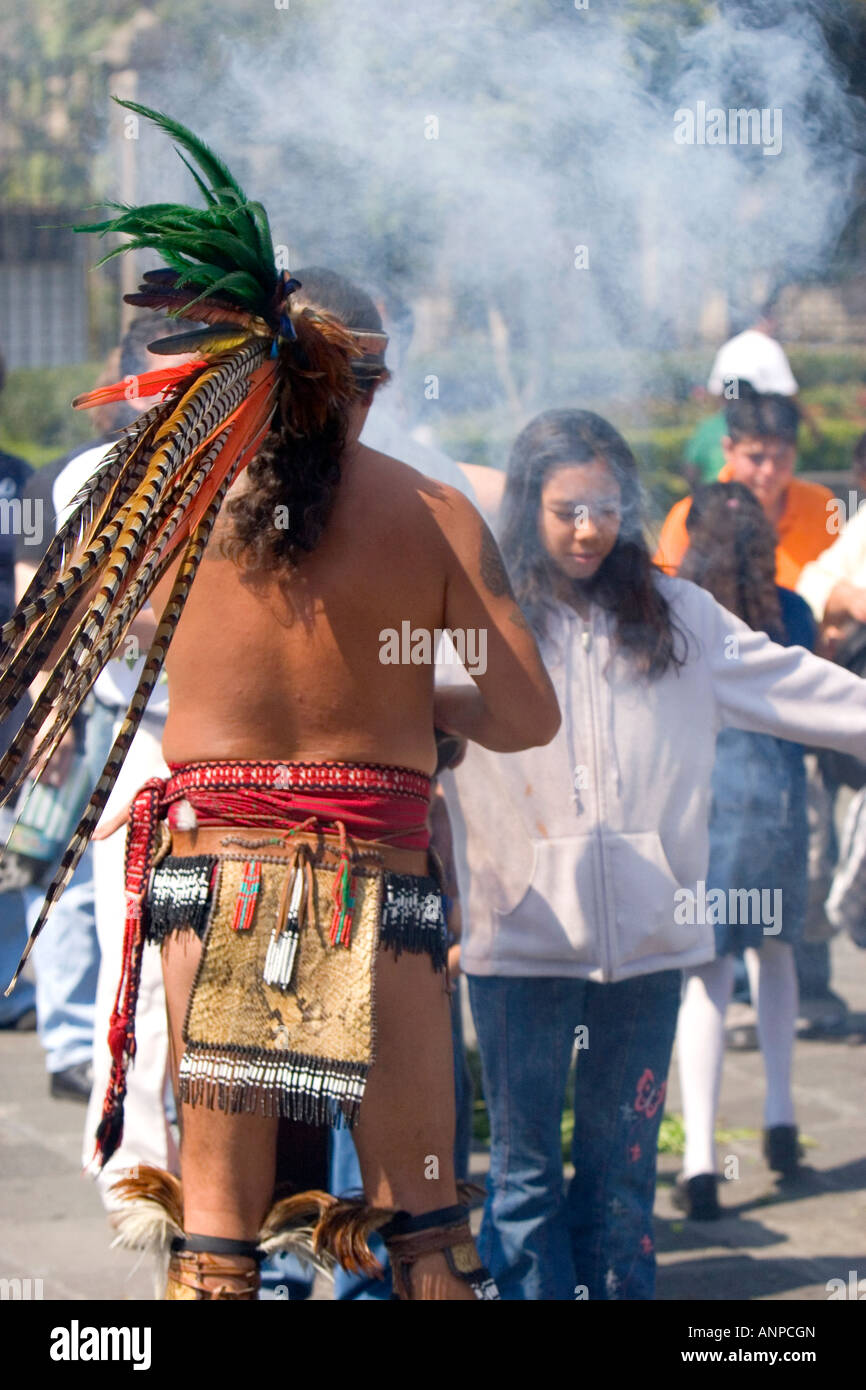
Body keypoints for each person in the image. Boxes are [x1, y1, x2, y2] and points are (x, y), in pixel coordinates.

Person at [440, 408, 866, 1301]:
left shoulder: (677, 616)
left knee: (624, 1178)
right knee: (522, 1182)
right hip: (518, 946)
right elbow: (397, 726)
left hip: (651, 948)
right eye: (566, 511)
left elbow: (800, 688)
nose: (590, 530)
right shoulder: (480, 619)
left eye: (605, 507)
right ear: (528, 510)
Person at [674, 483, 815, 1220]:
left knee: (709, 969)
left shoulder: (679, 614)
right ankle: (783, 1118)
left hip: (705, 812)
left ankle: (699, 1158)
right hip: (781, 806)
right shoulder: (791, 613)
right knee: (777, 953)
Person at [655, 386, 832, 588]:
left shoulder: (823, 506)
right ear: (729, 449)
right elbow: (667, 595)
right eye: (756, 457)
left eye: (781, 457)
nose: (768, 470)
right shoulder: (691, 515)